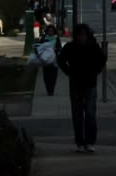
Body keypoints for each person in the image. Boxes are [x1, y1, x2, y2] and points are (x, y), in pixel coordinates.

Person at [58, 23, 106, 154]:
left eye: (83, 35)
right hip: (75, 84)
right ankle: (79, 142)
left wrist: (95, 71)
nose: (81, 37)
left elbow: (102, 59)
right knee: (77, 115)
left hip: (90, 84)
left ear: (88, 35)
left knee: (90, 114)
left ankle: (90, 142)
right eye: (79, 35)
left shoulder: (93, 47)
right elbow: (61, 60)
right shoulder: (70, 47)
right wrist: (69, 72)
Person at [38, 24, 62, 96]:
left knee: (53, 76)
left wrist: (56, 49)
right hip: (46, 60)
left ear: (54, 31)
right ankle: (48, 89)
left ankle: (51, 90)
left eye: (52, 31)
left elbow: (60, 48)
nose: (50, 32)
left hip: (54, 60)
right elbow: (38, 47)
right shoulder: (44, 38)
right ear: (47, 31)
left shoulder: (56, 38)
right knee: (46, 76)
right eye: (49, 31)